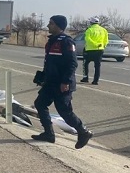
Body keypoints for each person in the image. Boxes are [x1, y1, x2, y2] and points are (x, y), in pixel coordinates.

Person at [32, 15, 94, 149]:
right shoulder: (51, 42)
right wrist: (43, 76)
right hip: (50, 83)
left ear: (59, 26)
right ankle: (49, 133)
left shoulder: (66, 42)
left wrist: (65, 81)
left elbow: (72, 63)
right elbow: (50, 63)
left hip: (62, 84)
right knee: (40, 103)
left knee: (64, 112)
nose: (48, 26)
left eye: (51, 23)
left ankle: (83, 132)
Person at [80, 17, 108, 85]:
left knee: (85, 63)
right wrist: (103, 45)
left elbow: (88, 39)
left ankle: (85, 77)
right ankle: (96, 80)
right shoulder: (104, 30)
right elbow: (106, 40)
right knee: (97, 66)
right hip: (100, 50)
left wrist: (95, 44)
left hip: (89, 50)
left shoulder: (89, 30)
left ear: (91, 23)